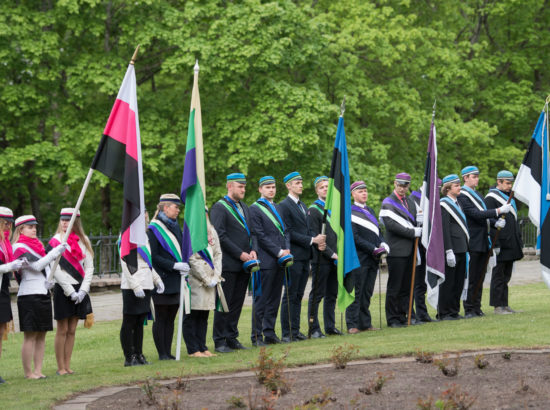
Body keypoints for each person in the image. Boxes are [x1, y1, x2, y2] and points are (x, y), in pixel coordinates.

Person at [12, 215, 66, 379]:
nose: (34, 229)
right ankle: (28, 373)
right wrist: (55, 252)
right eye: (29, 227)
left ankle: (38, 370)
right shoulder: (19, 247)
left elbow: (46, 267)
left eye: (35, 226)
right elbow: (37, 265)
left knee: (42, 334)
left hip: (42, 293)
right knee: (30, 335)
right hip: (28, 295)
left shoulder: (38, 245)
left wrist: (49, 280)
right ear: (21, 229)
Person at [210, 173, 258, 353]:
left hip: (245, 264)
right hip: (228, 264)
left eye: (244, 186)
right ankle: (219, 340)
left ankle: (231, 337)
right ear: (229, 186)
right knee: (224, 303)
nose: (243, 189)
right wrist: (240, 254)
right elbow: (219, 235)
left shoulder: (245, 207)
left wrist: (254, 250)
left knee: (237, 303)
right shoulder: (220, 208)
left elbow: (252, 233)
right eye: (240, 186)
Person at [457, 166, 511, 318]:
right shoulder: (462, 195)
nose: (476, 179)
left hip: (483, 239)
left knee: (480, 276)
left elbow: (484, 216)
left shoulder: (477, 194)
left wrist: (495, 223)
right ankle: (469, 308)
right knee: (472, 277)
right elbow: (474, 214)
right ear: (465, 178)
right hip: (473, 240)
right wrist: (498, 211)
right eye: (473, 176)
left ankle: (477, 307)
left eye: (477, 176)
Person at [279, 171, 325, 342]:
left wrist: (317, 240)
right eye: (296, 183)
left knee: (298, 295)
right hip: (294, 256)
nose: (300, 185)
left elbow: (307, 229)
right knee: (290, 295)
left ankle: (296, 330)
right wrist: (312, 239)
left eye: (301, 182)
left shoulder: (303, 206)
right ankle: (287, 332)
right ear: (288, 186)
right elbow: (288, 232)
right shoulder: (284, 205)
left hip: (305, 256)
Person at [49, 208, 94, 375]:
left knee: (72, 330)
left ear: (76, 222)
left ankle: (68, 365)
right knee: (62, 329)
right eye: (62, 219)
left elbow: (89, 267)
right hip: (63, 289)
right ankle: (60, 367)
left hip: (79, 288)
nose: (64, 222)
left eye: (68, 220)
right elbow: (56, 270)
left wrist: (83, 290)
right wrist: (70, 291)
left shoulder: (85, 241)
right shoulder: (55, 241)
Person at [249, 176, 291, 344]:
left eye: (273, 187)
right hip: (266, 260)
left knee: (274, 299)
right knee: (262, 300)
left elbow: (286, 230)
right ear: (260, 189)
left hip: (281, 259)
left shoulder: (278, 207)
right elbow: (259, 234)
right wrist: (278, 251)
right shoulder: (255, 209)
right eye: (267, 187)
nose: (271, 190)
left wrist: (287, 249)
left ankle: (270, 333)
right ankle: (256, 336)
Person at [147, 194, 190, 360]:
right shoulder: (153, 229)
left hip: (176, 279)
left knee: (171, 317)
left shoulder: (175, 226)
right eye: (176, 207)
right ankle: (162, 353)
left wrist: (184, 265)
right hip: (162, 279)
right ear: (165, 208)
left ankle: (168, 352)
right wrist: (173, 265)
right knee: (161, 317)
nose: (178, 210)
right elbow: (154, 256)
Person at [119, 214, 165, 366]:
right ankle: (129, 357)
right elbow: (124, 262)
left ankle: (139, 354)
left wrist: (156, 279)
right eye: (142, 214)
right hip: (133, 284)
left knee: (140, 321)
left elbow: (148, 262)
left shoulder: (144, 236)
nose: (145, 217)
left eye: (146, 214)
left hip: (146, 283)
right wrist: (135, 285)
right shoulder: (127, 234)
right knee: (129, 321)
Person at [379, 172, 421, 328]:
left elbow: (415, 221)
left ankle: (406, 315)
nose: (402, 188)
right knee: (394, 286)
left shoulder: (410, 202)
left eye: (405, 185)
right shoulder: (388, 202)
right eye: (399, 185)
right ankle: (393, 318)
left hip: (410, 250)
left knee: (407, 286)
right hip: (396, 250)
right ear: (394, 183)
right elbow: (391, 225)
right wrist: (412, 232)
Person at [347, 181, 388, 333]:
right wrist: (373, 248)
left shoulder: (370, 210)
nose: (364, 193)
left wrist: (383, 243)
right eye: (360, 191)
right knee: (357, 291)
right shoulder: (350, 211)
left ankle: (365, 323)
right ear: (353, 194)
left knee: (367, 292)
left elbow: (377, 232)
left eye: (365, 191)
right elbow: (355, 237)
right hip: (359, 257)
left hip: (373, 258)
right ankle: (352, 324)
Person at [183, 210, 222, 357]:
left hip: (212, 278)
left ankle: (203, 346)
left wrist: (216, 275)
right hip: (196, 280)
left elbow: (218, 254)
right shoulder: (191, 232)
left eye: (205, 213)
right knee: (193, 314)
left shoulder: (212, 230)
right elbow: (192, 258)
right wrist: (206, 278)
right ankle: (193, 349)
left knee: (204, 315)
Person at [485, 170, 524, 314]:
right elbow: (489, 221)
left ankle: (504, 303)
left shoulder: (509, 198)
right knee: (498, 276)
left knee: (506, 276)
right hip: (500, 242)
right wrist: (495, 245)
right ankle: (497, 306)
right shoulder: (491, 198)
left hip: (511, 243)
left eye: (510, 183)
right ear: (499, 182)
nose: (509, 186)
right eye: (507, 183)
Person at [307, 176, 341, 338]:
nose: (325, 189)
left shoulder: (335, 209)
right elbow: (315, 236)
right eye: (322, 187)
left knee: (332, 294)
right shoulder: (314, 210)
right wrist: (331, 254)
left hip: (337, 258)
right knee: (317, 295)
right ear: (317, 191)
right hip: (322, 258)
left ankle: (330, 326)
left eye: (328, 187)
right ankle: (314, 328)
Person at [0, 207, 25, 384]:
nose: (8, 226)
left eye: (10, 222)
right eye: (5, 222)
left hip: (2, 289)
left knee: (1, 330)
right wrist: (11, 266)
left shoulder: (5, 242)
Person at [439, 175, 469, 320]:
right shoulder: (444, 204)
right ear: (448, 188)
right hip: (452, 249)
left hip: (462, 247)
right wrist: (448, 250)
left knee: (458, 282)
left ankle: (454, 311)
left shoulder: (458, 203)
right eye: (456, 185)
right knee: (448, 282)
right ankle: (444, 312)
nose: (460, 187)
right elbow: (444, 229)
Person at [409, 187, 432, 323]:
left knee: (421, 284)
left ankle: (422, 313)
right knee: (415, 283)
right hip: (414, 247)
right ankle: (412, 314)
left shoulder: (427, 200)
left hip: (424, 247)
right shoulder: (413, 200)